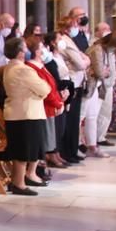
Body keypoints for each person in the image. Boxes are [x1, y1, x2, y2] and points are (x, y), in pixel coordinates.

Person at [1, 36, 51, 195]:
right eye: (25, 48)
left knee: (20, 150)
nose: (27, 51)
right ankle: (19, 184)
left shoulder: (8, 67)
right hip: (26, 114)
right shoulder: (23, 69)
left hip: (17, 113)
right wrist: (39, 91)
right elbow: (44, 89)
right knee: (24, 151)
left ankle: (18, 181)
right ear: (20, 52)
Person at [54, 12, 90, 164]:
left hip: (78, 81)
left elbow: (83, 57)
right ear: (67, 28)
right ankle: (68, 151)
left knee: (74, 120)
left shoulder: (70, 40)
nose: (77, 27)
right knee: (70, 120)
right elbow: (81, 63)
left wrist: (85, 59)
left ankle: (73, 150)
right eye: (75, 25)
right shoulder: (63, 41)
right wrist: (86, 60)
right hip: (72, 82)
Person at [26, 36, 63, 172]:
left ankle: (41, 168)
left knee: (47, 140)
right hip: (43, 108)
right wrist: (58, 103)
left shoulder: (41, 66)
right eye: (42, 47)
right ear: (37, 52)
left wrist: (60, 99)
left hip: (49, 107)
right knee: (43, 141)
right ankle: (38, 170)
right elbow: (44, 90)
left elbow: (51, 85)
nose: (46, 49)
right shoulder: (32, 67)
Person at [41, 33, 74, 168]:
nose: (62, 41)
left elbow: (64, 73)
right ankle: (52, 154)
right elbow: (54, 77)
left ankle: (57, 152)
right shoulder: (48, 58)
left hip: (62, 91)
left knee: (61, 126)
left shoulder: (58, 56)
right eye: (59, 39)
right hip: (55, 93)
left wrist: (66, 89)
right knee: (54, 126)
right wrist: (61, 90)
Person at [84, 32, 116, 158]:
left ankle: (92, 146)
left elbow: (106, 71)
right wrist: (104, 72)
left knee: (92, 116)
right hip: (88, 87)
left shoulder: (104, 50)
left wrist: (105, 72)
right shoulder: (97, 49)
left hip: (96, 87)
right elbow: (100, 72)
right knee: (82, 117)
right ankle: (80, 145)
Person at [92, 23, 116, 149]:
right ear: (97, 32)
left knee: (106, 111)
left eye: (108, 29)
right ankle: (93, 138)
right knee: (96, 111)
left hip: (109, 83)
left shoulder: (109, 46)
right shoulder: (94, 45)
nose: (108, 31)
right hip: (99, 83)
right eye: (104, 29)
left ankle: (101, 136)